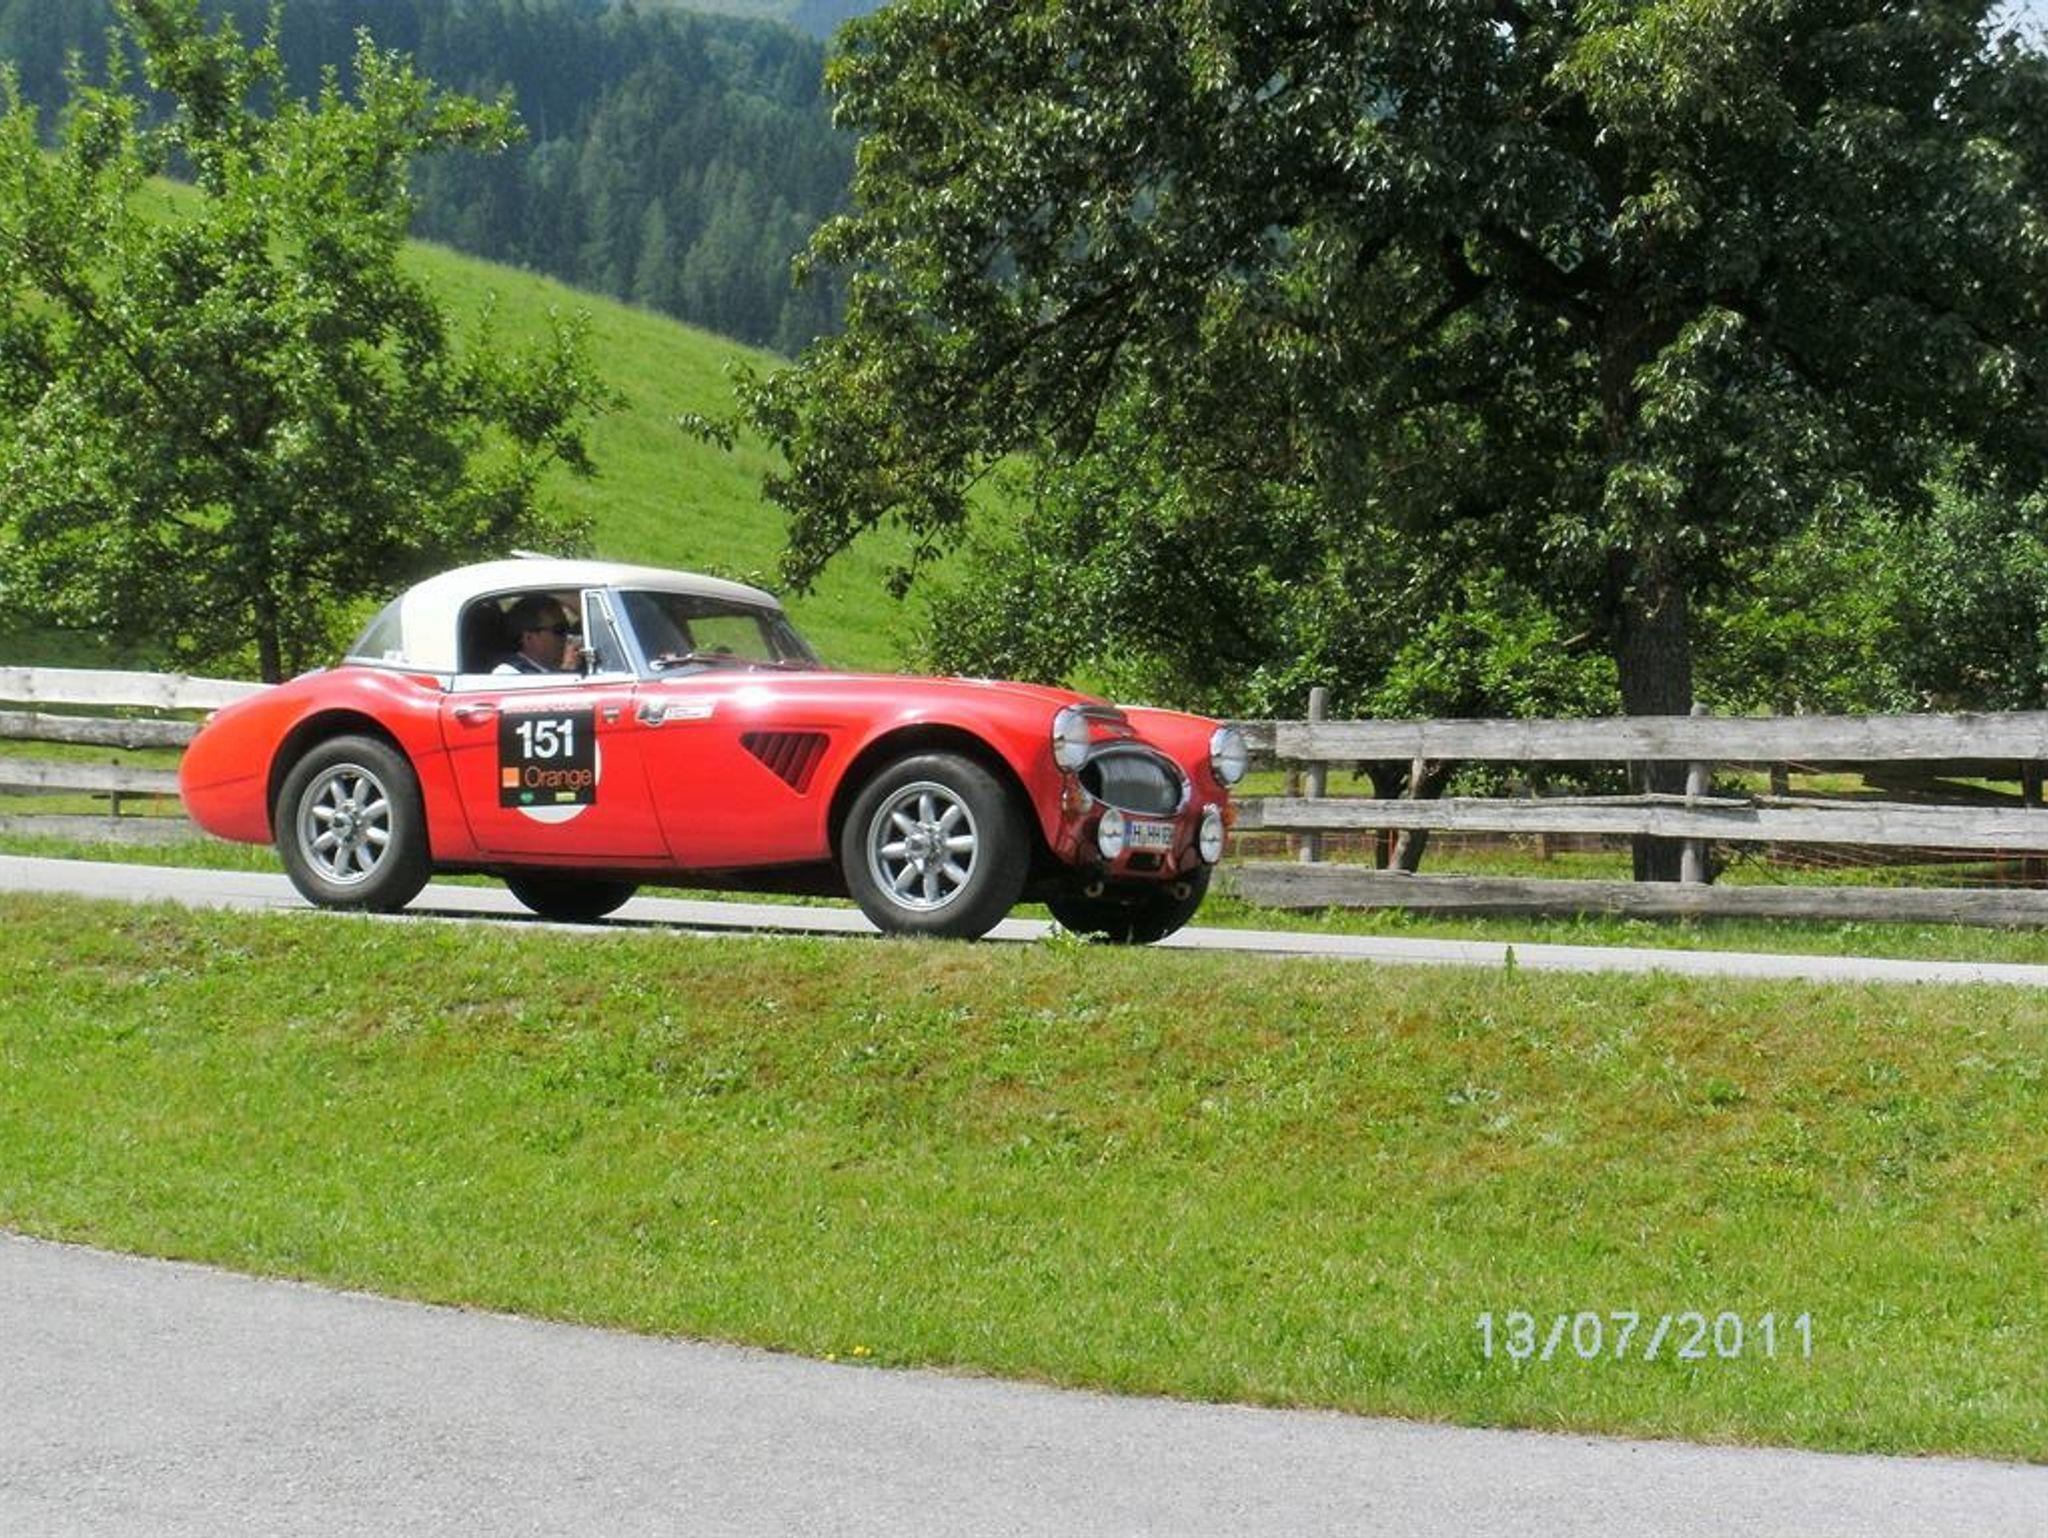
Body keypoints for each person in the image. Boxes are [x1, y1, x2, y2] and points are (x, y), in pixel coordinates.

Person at [494, 594, 583, 674]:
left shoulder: (547, 669)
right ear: (528, 637)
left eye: (568, 628)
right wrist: (567, 671)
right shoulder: (508, 673)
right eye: (559, 629)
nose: (567, 636)